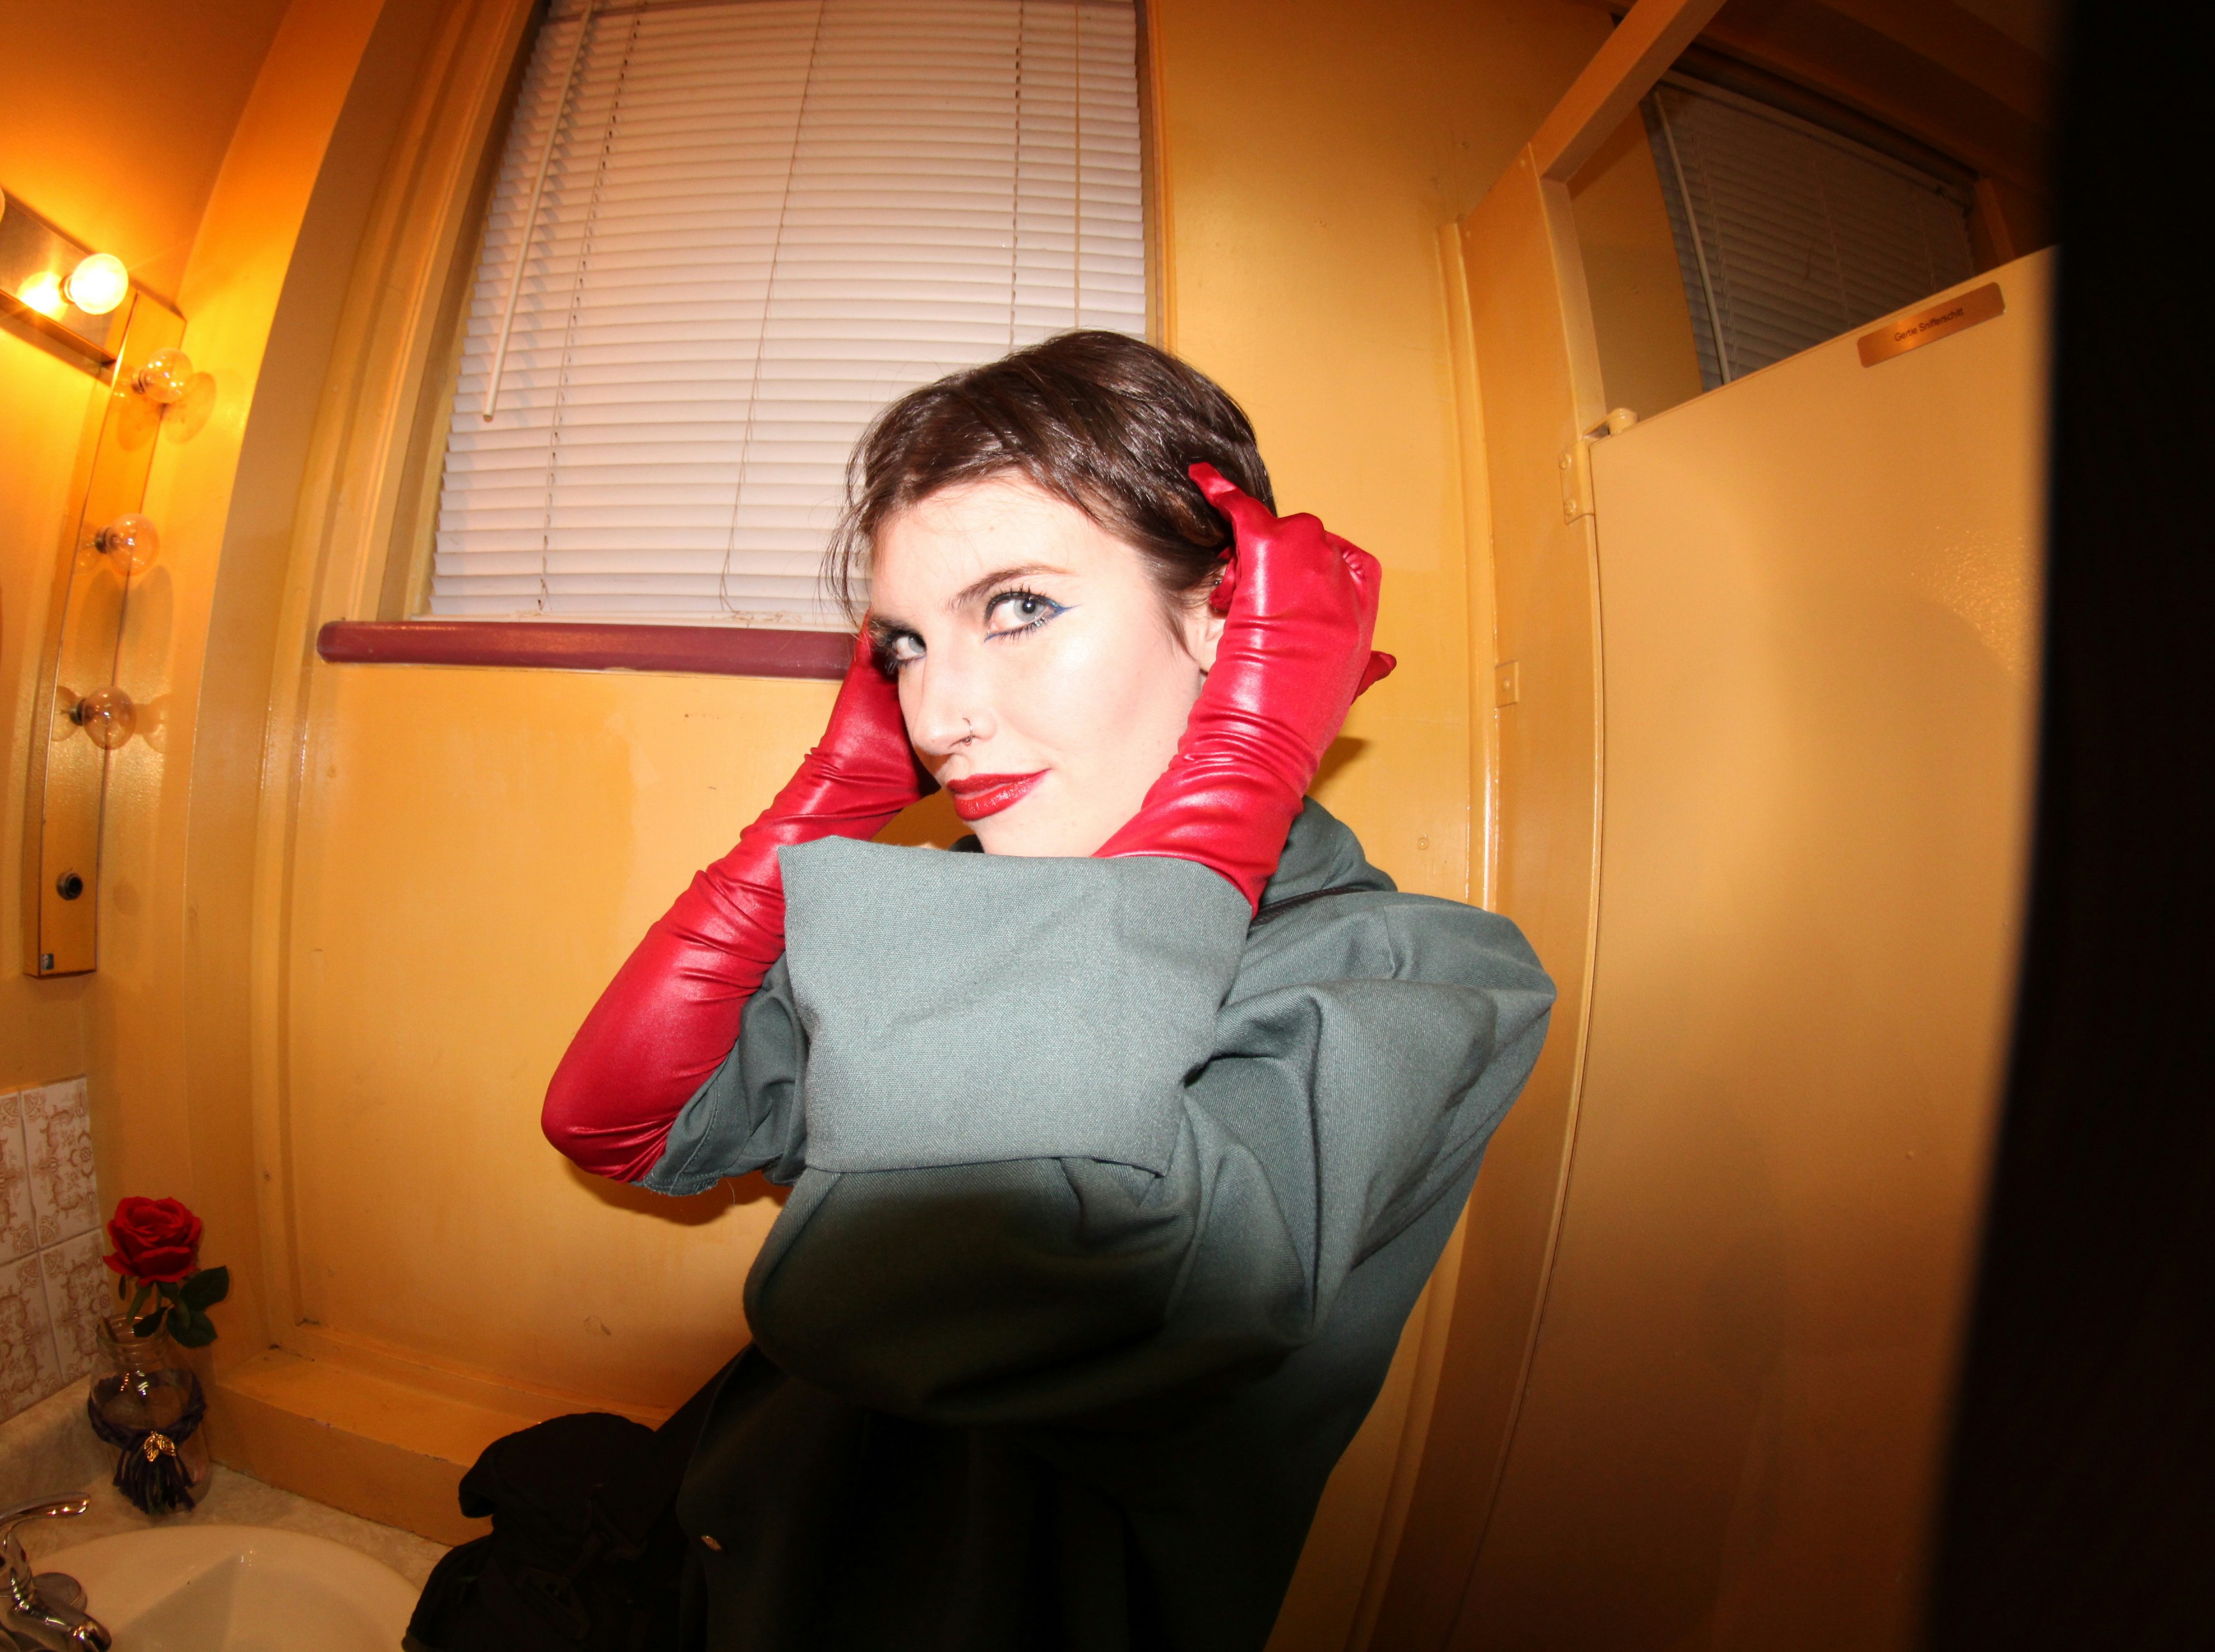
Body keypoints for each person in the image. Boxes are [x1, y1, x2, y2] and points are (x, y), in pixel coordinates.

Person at [540, 331, 1554, 1650]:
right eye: (904, 644)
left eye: (1017, 606)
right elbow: (628, 1119)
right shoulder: (962, 907)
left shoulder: (1417, 977)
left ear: (1229, 622)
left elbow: (965, 1283)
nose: (939, 714)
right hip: (746, 1564)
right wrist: (827, 797)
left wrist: (1243, 766)